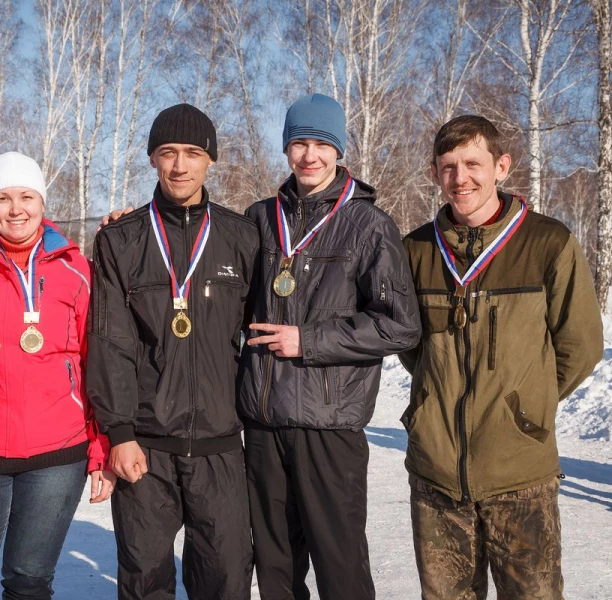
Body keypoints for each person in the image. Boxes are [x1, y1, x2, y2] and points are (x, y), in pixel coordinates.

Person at [399, 115, 603, 599]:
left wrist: (524, 408)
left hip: (520, 476)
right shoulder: (415, 251)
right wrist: (432, 400)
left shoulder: (548, 242)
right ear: (434, 172)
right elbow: (410, 344)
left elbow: (580, 345)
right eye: (449, 166)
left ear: (501, 166)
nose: (460, 178)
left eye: (473, 163)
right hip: (437, 478)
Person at [238, 93, 421, 600]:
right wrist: (134, 225)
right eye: (299, 143)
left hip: (329, 425)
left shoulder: (369, 225)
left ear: (339, 150)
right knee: (275, 568)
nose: (310, 155)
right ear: (286, 148)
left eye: (322, 144)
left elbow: (400, 326)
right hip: (264, 424)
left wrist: (308, 340)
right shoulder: (258, 218)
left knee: (340, 570)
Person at [87, 103, 257, 599]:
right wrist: (119, 433)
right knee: (145, 582)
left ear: (211, 160)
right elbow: (110, 343)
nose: (180, 165)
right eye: (168, 153)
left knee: (226, 581)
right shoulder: (121, 239)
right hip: (146, 447)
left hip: (220, 446)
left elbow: (259, 336)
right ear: (152, 159)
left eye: (192, 153)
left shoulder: (242, 237)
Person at [0, 151, 113, 600]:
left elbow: (96, 362)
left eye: (26, 196)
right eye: (3, 198)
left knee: (29, 582)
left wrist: (100, 447)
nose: (16, 209)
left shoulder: (76, 269)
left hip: (58, 456)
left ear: (42, 201)